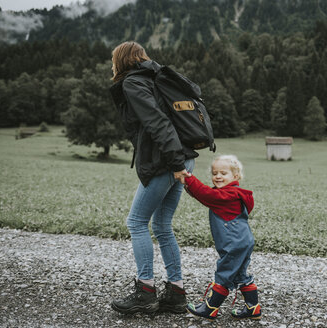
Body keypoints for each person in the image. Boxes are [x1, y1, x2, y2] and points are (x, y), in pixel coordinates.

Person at [109, 41, 197, 315]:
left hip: (168, 161)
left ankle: (145, 292)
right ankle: (176, 293)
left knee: (136, 222)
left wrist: (175, 163)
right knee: (161, 224)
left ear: (120, 61)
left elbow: (158, 122)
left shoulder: (134, 83)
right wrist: (181, 162)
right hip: (183, 158)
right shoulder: (157, 76)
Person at [182, 155, 262, 320]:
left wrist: (188, 179)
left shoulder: (227, 195)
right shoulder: (236, 193)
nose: (218, 176)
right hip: (244, 240)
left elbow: (206, 195)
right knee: (240, 274)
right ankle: (253, 308)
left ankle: (210, 308)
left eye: (223, 173)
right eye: (214, 173)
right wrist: (187, 185)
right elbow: (206, 195)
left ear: (235, 176)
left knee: (225, 273)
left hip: (234, 243)